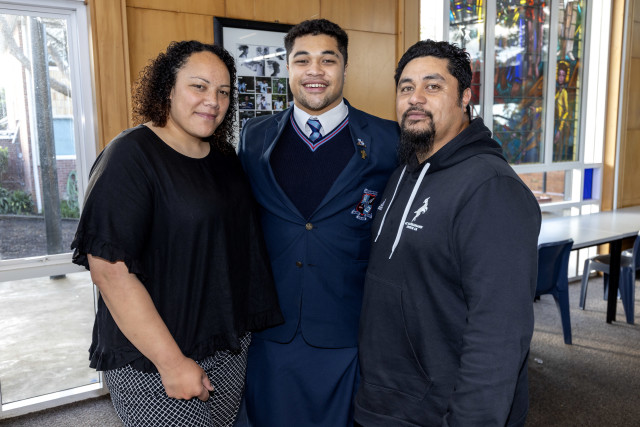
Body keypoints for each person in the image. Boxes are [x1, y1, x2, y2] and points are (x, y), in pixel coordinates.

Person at [70, 40, 283, 426]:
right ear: (167, 88)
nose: (213, 101)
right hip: (154, 361)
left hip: (225, 348)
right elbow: (109, 271)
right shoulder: (130, 156)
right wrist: (171, 362)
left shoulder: (224, 158)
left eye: (223, 92)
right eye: (198, 86)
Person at [355, 40, 541, 426]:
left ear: (465, 98)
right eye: (406, 87)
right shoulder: (402, 173)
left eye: (433, 86)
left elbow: (499, 334)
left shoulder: (491, 189)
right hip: (383, 402)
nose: (415, 98)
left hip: (437, 411)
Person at [237, 19, 399, 426]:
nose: (315, 71)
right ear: (287, 68)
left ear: (345, 67)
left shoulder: (387, 139)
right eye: (302, 60)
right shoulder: (254, 135)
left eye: (328, 60)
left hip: (346, 324)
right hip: (272, 325)